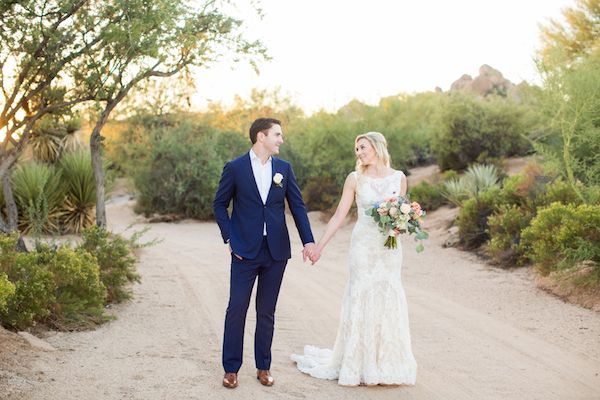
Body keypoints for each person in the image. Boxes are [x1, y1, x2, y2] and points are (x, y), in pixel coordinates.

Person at [291, 131, 417, 386]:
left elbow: (401, 209)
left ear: (377, 146)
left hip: (389, 248)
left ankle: (386, 363)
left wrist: (401, 223)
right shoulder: (355, 178)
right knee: (361, 294)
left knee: (388, 294)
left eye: (363, 147)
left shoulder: (399, 177)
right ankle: (359, 363)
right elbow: (339, 215)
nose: (359, 152)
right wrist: (319, 246)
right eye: (357, 149)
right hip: (363, 246)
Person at [213, 117, 316, 389]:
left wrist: (308, 241)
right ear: (261, 137)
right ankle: (231, 368)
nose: (281, 140)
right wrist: (230, 238)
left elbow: (298, 207)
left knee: (267, 311)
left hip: (276, 251)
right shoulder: (235, 168)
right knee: (237, 308)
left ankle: (263, 367)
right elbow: (219, 205)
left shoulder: (284, 168)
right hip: (243, 252)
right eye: (277, 135)